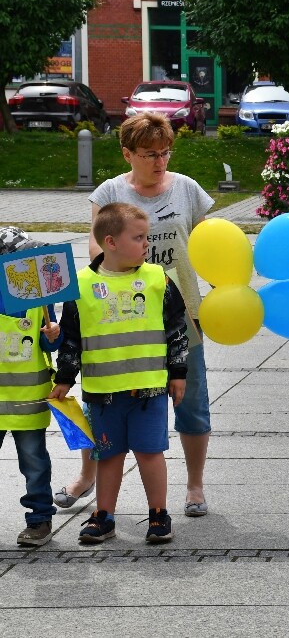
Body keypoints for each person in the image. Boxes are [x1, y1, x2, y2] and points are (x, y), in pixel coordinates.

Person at [54, 112, 214, 518]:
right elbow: (96, 250)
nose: (159, 162)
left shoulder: (186, 189)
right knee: (103, 402)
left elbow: (210, 246)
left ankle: (195, 486)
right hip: (117, 317)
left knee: (190, 400)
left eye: (165, 153)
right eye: (149, 154)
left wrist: (217, 296)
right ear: (127, 153)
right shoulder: (109, 192)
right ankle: (87, 477)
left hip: (180, 313)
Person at [49, 203, 189, 544]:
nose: (146, 245)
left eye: (147, 238)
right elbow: (71, 337)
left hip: (149, 391)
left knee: (150, 453)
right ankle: (104, 516)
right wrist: (64, 377)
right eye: (139, 237)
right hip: (103, 393)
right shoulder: (80, 286)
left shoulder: (157, 279)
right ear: (110, 242)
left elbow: (177, 330)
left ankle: (159, 514)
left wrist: (178, 372)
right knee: (107, 455)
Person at [0, 227, 63, 547]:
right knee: (34, 460)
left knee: (34, 462)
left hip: (27, 404)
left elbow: (48, 341)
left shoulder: (38, 297)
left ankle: (39, 520)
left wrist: (53, 335)